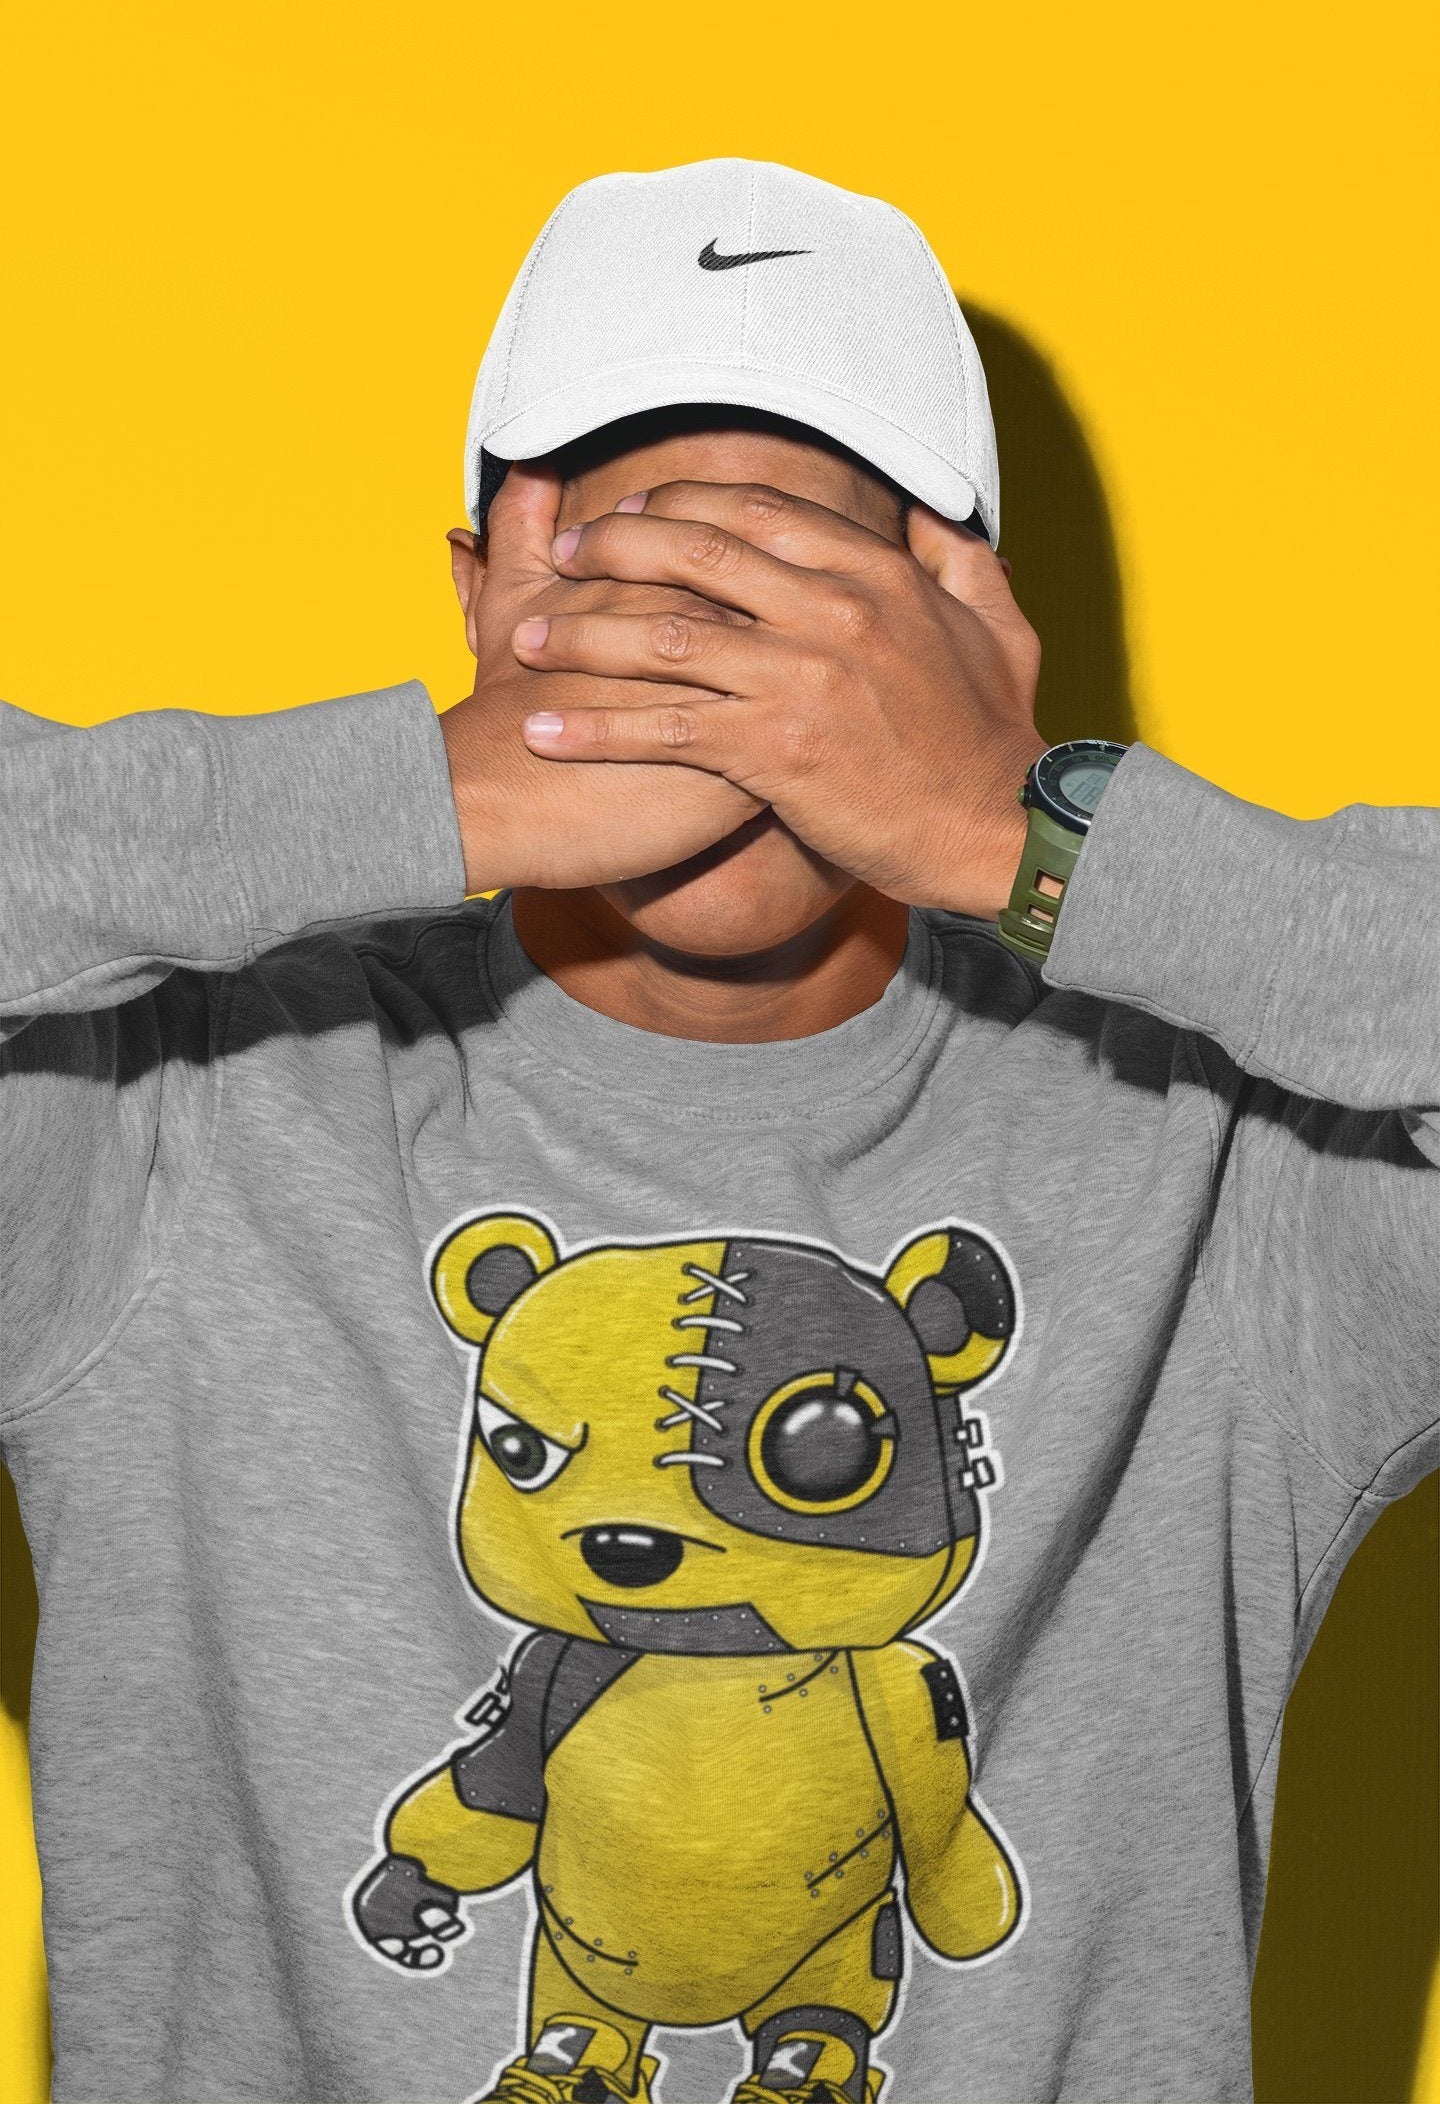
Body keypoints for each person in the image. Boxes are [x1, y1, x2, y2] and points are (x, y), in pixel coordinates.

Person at [1, 156, 1434, 2104]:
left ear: (974, 634)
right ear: (487, 591)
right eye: (641, 584)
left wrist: (1030, 834)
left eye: (810, 602)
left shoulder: (1230, 1167)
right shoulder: (166, 1120)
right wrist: (432, 794)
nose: (723, 683)